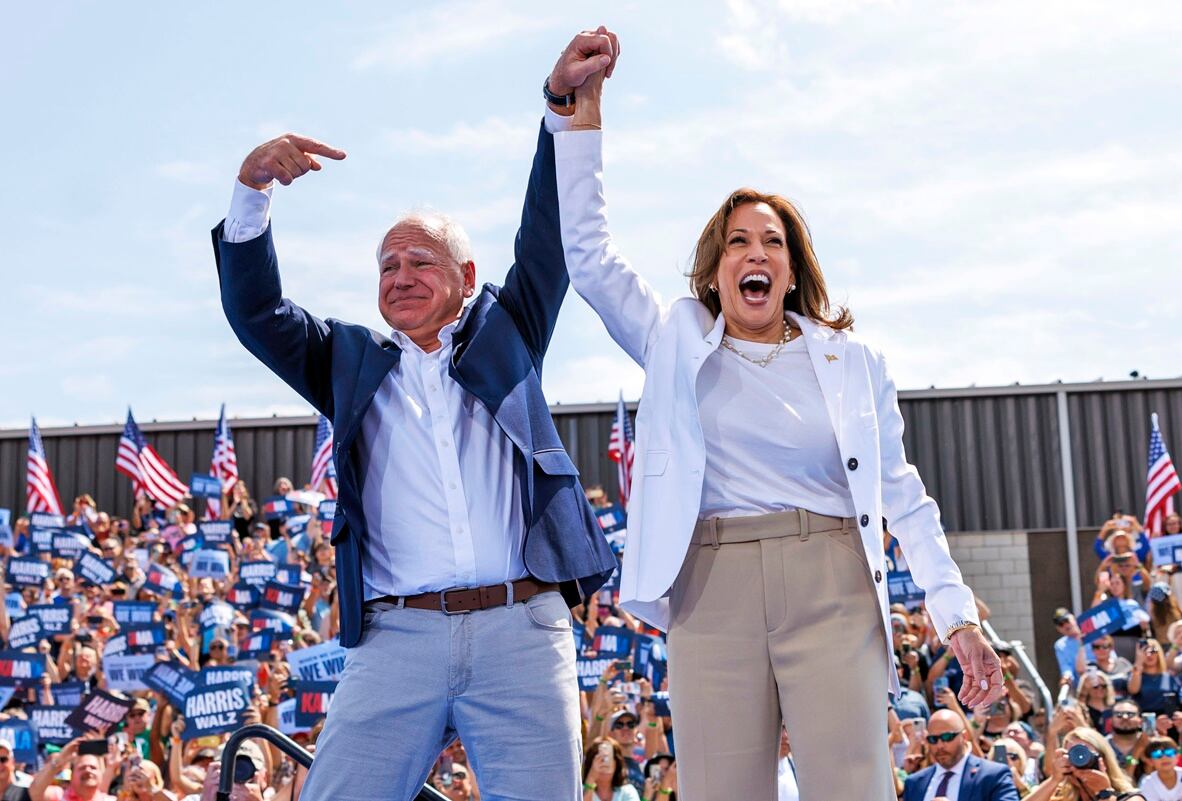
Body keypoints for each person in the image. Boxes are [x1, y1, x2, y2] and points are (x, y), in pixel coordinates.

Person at [545, 31, 1003, 801]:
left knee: (852, 788)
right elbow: (587, 254)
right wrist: (576, 115)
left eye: (771, 241)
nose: (754, 252)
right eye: (736, 241)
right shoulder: (672, 338)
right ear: (714, 267)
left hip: (831, 583)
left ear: (790, 269)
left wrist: (953, 611)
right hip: (709, 585)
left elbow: (901, 493)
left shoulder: (852, 361)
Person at [211, 28, 619, 801]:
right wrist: (251, 190)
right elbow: (256, 313)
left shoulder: (509, 331)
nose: (398, 274)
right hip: (396, 636)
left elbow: (547, 236)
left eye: (419, 260)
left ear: (466, 275)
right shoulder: (347, 361)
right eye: (386, 264)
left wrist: (560, 107)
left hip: (521, 628)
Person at [901, 710, 1019, 800]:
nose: (940, 745)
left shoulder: (993, 775)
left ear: (964, 736)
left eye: (947, 737)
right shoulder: (914, 783)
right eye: (933, 739)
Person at [1026, 726, 1136, 801]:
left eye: (1086, 753)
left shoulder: (1130, 797)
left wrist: (1105, 792)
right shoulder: (1060, 797)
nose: (1080, 760)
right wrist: (1054, 780)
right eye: (1073, 754)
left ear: (1103, 759)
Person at [1136, 736, 1182, 800]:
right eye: (1157, 754)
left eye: (1169, 752)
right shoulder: (1147, 782)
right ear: (1150, 761)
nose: (1164, 757)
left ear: (1177, 756)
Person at [1054, 610, 1095, 683]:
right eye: (1061, 624)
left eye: (1066, 620)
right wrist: (1066, 677)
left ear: (1073, 619)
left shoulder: (1092, 633)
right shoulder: (1060, 645)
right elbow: (1066, 667)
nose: (1065, 625)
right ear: (1058, 629)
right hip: (1082, 684)